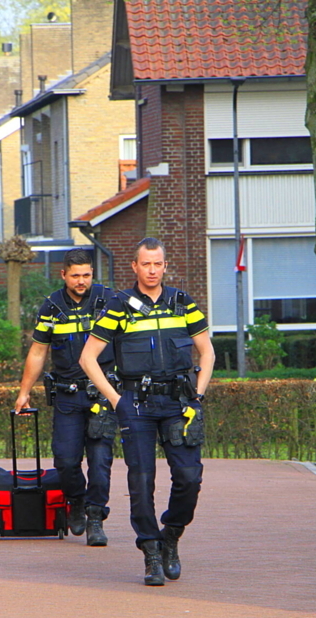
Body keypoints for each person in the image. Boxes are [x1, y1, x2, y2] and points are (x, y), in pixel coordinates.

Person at [80, 237, 215, 586]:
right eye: (146, 264)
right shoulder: (119, 306)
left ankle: (171, 534)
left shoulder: (182, 303)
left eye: (157, 264)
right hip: (136, 405)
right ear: (135, 267)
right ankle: (151, 551)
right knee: (141, 483)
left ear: (165, 266)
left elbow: (207, 351)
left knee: (189, 478)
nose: (152, 270)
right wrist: (116, 400)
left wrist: (197, 397)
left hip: (178, 404)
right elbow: (87, 358)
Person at [14, 248, 117, 546]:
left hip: (102, 396)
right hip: (67, 395)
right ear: (63, 275)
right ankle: (77, 501)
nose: (81, 281)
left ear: (92, 273)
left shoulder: (109, 301)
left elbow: (127, 341)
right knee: (65, 460)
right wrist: (24, 392)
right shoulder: (51, 307)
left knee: (100, 461)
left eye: (86, 275)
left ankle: (95, 517)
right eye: (75, 276)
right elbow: (38, 352)